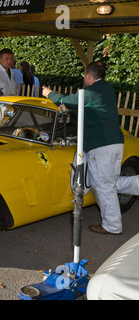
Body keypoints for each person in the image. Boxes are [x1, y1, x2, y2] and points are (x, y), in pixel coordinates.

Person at [42, 61, 139, 235]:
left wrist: (50, 93)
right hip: (115, 143)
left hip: (102, 145)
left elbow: (66, 101)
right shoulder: (107, 89)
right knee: (109, 183)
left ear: (88, 76)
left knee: (102, 185)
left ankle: (112, 226)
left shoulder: (91, 92)